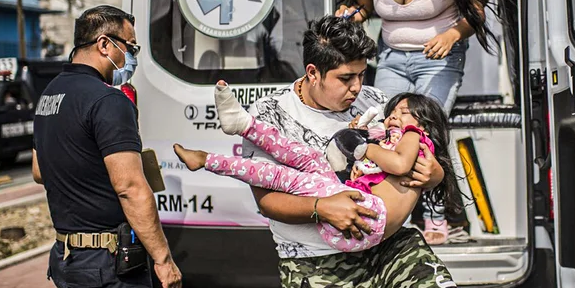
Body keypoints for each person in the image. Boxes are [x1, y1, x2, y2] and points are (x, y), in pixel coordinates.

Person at [239, 16, 475, 288]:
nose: (357, 87)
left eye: (362, 74)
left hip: (390, 247)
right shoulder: (269, 116)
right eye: (346, 77)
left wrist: (435, 174)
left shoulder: (376, 102)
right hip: (319, 262)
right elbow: (267, 201)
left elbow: (414, 152)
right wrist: (322, 208)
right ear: (312, 73)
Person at [336, 0, 495, 245]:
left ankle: (437, 219)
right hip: (392, 58)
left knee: (422, 132)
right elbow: (365, 7)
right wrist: (352, 15)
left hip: (439, 59)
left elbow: (478, 8)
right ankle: (386, 212)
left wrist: (452, 34)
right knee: (385, 130)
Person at [32, 5, 182, 288]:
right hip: (108, 265)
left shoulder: (49, 96)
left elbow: (39, 170)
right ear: (104, 44)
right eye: (130, 47)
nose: (131, 57)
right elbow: (130, 188)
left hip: (67, 258)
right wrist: (163, 259)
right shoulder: (108, 101)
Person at [174, 83, 462, 253]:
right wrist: (360, 137)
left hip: (366, 218)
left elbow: (399, 164)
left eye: (403, 113)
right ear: (313, 73)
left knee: (284, 176)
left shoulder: (413, 136)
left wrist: (363, 148)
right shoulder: (390, 136)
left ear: (423, 123)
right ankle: (243, 125)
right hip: (358, 206)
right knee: (308, 157)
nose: (393, 116)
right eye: (393, 113)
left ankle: (207, 159)